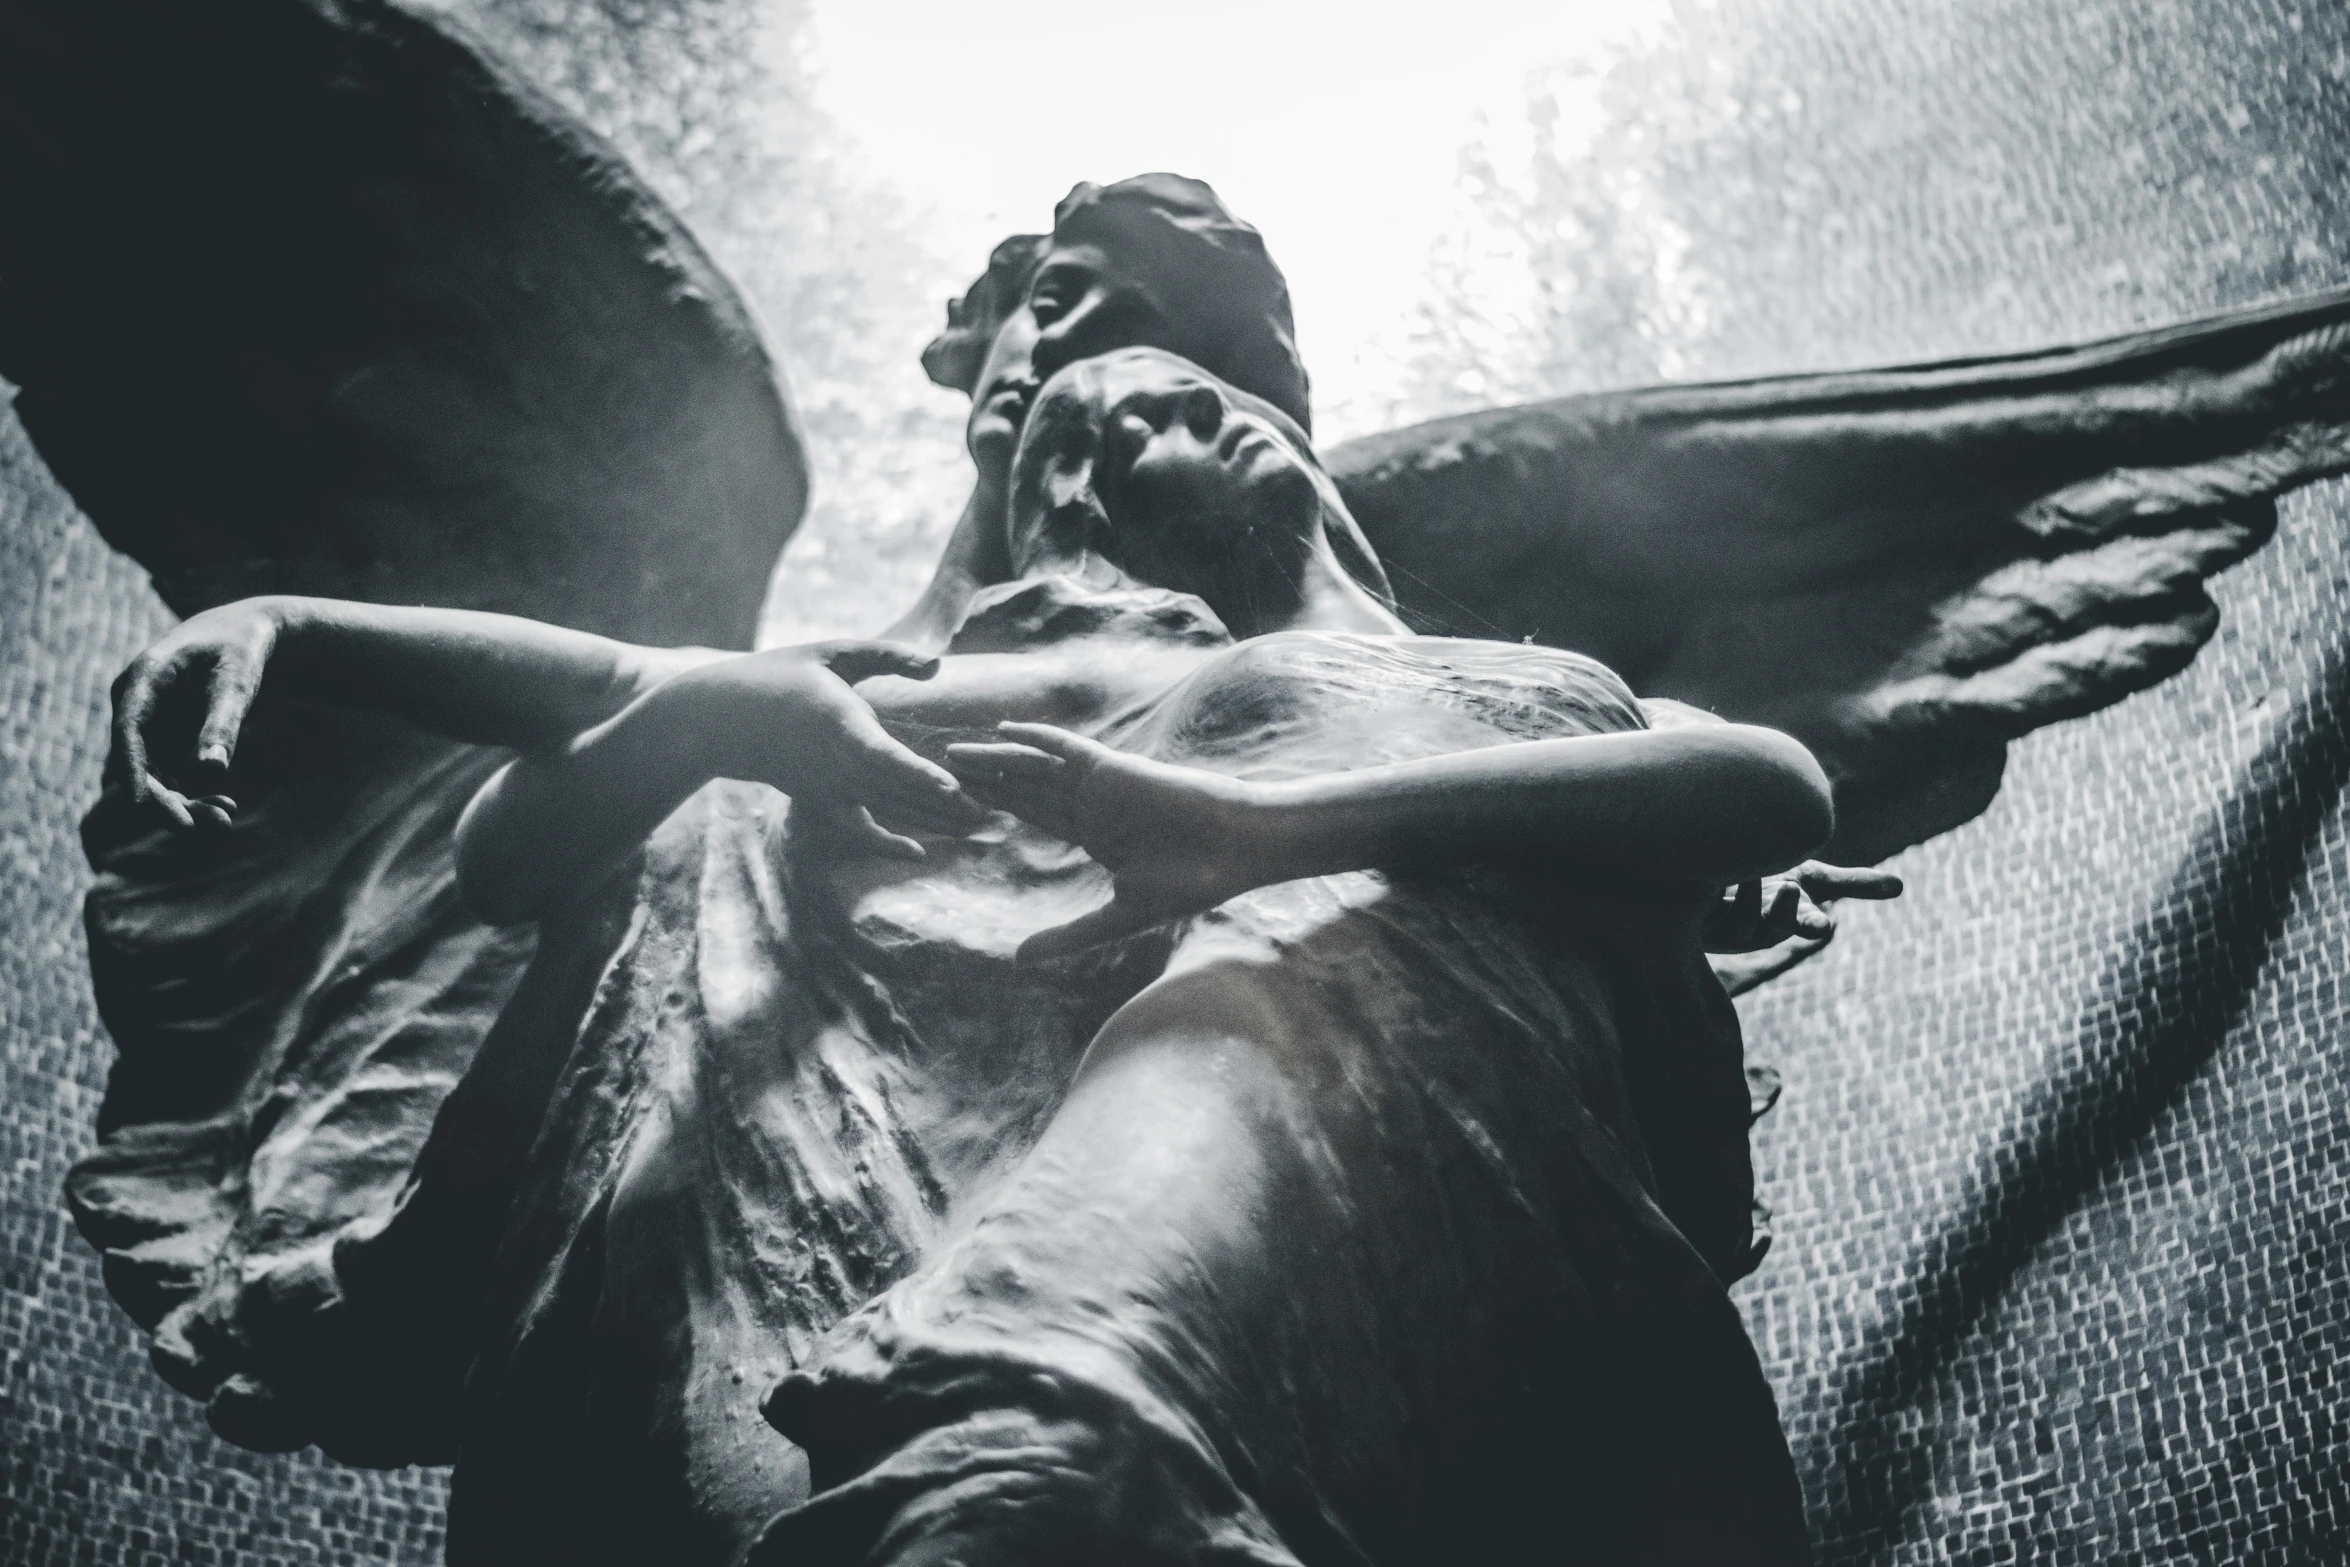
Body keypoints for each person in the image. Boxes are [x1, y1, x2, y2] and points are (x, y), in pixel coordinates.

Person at [110, 345, 1852, 1562]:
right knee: (1049, 1446)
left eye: (1217, 395)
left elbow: (1763, 781)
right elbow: (631, 694)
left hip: (1523, 1202)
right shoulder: (1134, 680)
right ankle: (1036, 1440)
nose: (1211, 419)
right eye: (1145, 420)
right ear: (1090, 502)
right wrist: (299, 626)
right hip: (1260, 1125)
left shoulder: (1520, 676)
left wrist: (1276, 838)